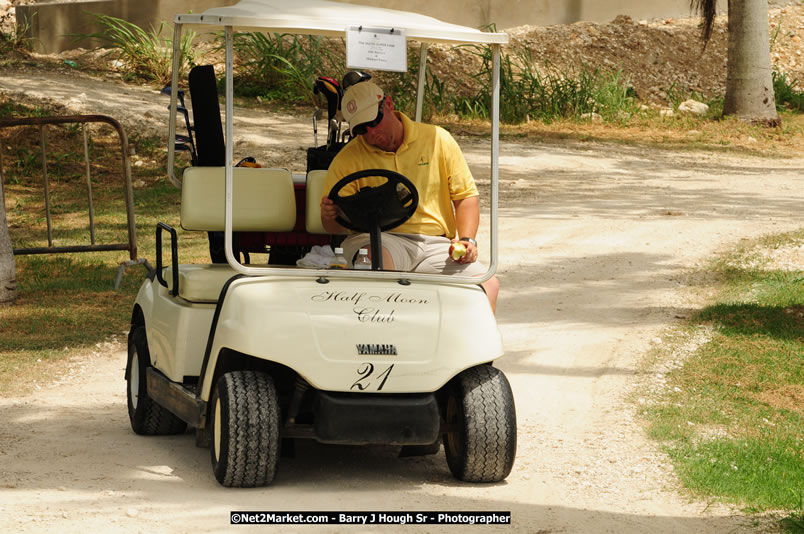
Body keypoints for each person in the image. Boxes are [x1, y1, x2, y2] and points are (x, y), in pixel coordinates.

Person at [319, 80, 499, 312]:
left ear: (389, 104)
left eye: (374, 121)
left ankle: (473, 346)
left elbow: (465, 197)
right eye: (362, 129)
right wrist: (330, 215)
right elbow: (333, 227)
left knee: (487, 284)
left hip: (436, 244)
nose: (371, 132)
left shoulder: (437, 140)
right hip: (377, 238)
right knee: (380, 265)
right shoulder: (347, 158)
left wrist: (467, 240)